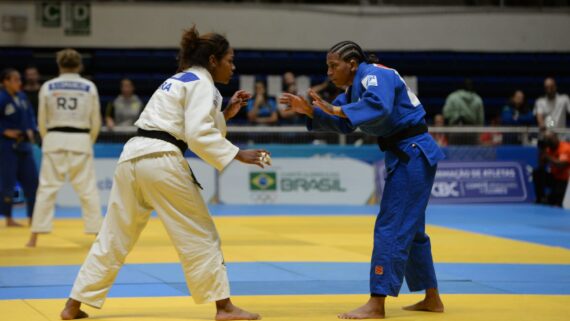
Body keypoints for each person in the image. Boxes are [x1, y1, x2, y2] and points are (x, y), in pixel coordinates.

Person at [60, 26, 262, 321]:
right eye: (231, 60)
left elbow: (189, 122)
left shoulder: (178, 79)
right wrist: (236, 152)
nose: (234, 67)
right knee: (200, 234)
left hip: (132, 156)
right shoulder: (204, 84)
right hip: (162, 160)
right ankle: (224, 308)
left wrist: (225, 114)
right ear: (214, 60)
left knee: (113, 236)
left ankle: (73, 304)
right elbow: (196, 132)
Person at [280, 41, 445, 319]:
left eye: (334, 66)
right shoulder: (356, 87)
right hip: (407, 155)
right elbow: (344, 121)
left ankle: (376, 303)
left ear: (352, 64)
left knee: (390, 227)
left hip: (412, 153)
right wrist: (310, 111)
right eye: (327, 67)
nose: (329, 72)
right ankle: (432, 298)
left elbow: (377, 107)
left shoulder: (374, 75)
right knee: (412, 230)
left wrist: (333, 110)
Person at [26, 49, 103, 248]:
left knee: (46, 189)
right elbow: (96, 120)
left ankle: (34, 237)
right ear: (79, 66)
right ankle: (97, 234)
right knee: (88, 190)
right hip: (81, 139)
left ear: (59, 65)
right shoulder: (89, 87)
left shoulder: (48, 86)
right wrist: (88, 140)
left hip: (54, 139)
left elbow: (41, 119)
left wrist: (47, 138)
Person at [0, 68, 39, 227]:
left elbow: (30, 116)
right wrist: (4, 131)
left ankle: (33, 218)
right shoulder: (1, 98)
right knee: (7, 183)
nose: (19, 83)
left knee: (33, 183)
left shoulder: (22, 97)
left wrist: (31, 130)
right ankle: (8, 218)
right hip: (7, 147)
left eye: (19, 79)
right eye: (15, 80)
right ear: (5, 82)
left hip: (24, 146)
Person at [442, 78, 484, 145]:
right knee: (472, 154)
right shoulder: (478, 99)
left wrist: (456, 115)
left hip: (455, 130)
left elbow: (446, 114)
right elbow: (480, 120)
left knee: (454, 154)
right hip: (472, 132)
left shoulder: (452, 97)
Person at [533, 131, 570, 207]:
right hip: (554, 177)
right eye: (547, 140)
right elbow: (541, 165)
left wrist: (547, 156)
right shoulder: (548, 149)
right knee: (538, 173)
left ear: (556, 138)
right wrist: (542, 151)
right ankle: (540, 198)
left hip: (564, 180)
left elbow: (560, 166)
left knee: (557, 202)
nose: (549, 141)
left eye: (550, 139)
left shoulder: (565, 148)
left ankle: (553, 198)